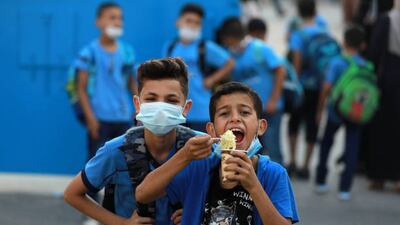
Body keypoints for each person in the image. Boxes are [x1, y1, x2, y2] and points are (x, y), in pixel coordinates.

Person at [136, 82, 299, 225]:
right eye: (224, 113)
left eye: (245, 112)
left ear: (261, 126)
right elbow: (143, 194)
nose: (235, 118)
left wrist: (254, 186)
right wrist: (184, 156)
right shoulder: (199, 167)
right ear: (211, 130)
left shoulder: (274, 174)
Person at [64, 58, 201, 225]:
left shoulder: (200, 148)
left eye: (171, 100)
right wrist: (121, 223)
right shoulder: (116, 151)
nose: (160, 109)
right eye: (151, 99)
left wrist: (200, 211)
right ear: (137, 104)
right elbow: (72, 193)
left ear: (186, 108)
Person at [74, 2, 136, 168]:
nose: (117, 22)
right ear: (98, 22)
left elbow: (132, 83)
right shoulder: (89, 53)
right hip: (99, 119)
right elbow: (81, 88)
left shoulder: (127, 51)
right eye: (112, 17)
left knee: (123, 166)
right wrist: (90, 118)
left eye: (120, 18)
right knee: (95, 166)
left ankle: (117, 195)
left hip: (123, 118)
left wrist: (139, 111)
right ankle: (89, 195)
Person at [218, 18, 286, 165]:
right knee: (253, 150)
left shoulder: (260, 48)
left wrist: (273, 100)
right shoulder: (230, 54)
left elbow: (280, 71)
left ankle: (277, 181)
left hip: (270, 109)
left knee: (273, 148)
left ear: (231, 38)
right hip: (249, 111)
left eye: (227, 41)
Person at [314, 26, 368, 201]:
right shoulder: (365, 65)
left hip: (335, 111)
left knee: (326, 142)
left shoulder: (337, 62)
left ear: (344, 42)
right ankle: (345, 188)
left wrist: (320, 109)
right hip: (356, 112)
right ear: (363, 45)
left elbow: (327, 87)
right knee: (352, 146)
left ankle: (321, 180)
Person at [165, 3, 235, 132]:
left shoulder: (205, 47)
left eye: (197, 23)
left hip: (201, 110)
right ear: (178, 22)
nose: (192, 25)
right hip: (176, 112)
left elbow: (230, 63)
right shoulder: (170, 47)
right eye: (189, 21)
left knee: (202, 148)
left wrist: (212, 80)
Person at [287, 0, 333, 179]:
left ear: (299, 12)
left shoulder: (298, 34)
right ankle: (306, 165)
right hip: (319, 85)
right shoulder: (323, 29)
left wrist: (295, 81)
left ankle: (292, 161)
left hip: (302, 85)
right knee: (313, 123)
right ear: (315, 11)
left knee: (295, 121)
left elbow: (297, 59)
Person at [366, 0, 400, 192]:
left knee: (382, 129)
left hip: (389, 80)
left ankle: (378, 177)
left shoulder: (388, 19)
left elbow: (375, 52)